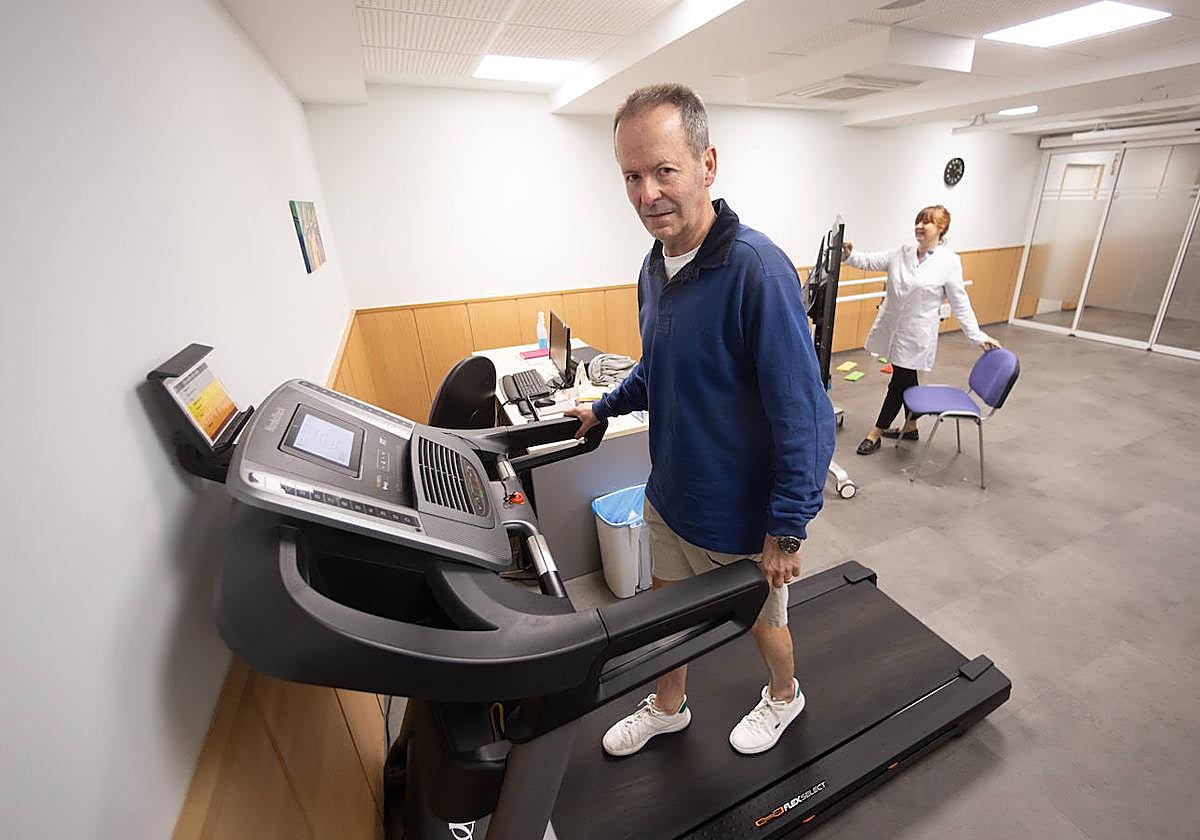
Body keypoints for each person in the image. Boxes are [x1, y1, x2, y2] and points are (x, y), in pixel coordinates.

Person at [565, 84, 835, 758]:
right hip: (672, 495)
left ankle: (784, 695)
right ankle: (669, 704)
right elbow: (658, 370)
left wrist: (788, 529)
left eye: (664, 170)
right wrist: (603, 407)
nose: (647, 192)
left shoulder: (757, 272)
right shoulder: (653, 269)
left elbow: (804, 417)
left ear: (707, 165)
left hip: (744, 518)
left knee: (763, 626)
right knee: (666, 617)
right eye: (632, 176)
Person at [842, 206, 1001, 456]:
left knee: (898, 383)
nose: (919, 226)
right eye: (918, 221)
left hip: (916, 335)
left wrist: (977, 336)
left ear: (941, 229)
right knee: (907, 379)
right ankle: (912, 425)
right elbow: (869, 261)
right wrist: (849, 254)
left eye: (926, 222)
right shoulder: (901, 253)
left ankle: (876, 432)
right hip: (893, 329)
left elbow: (960, 303)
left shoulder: (948, 262)